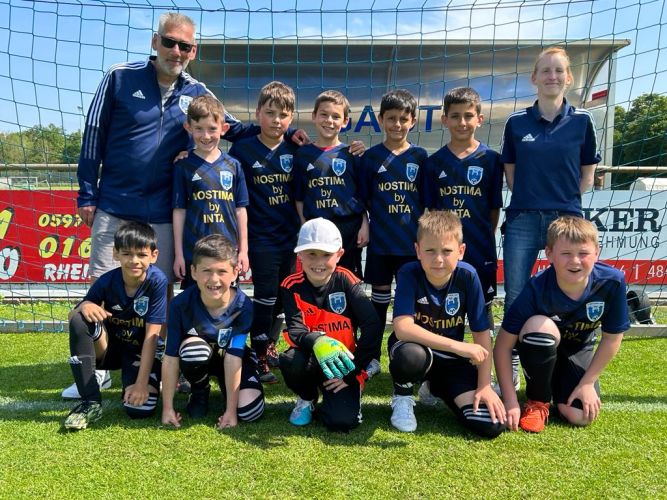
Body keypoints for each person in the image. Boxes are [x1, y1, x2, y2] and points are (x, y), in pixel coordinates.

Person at [68, 12, 285, 398]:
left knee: (162, 293)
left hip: (164, 212)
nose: (176, 51)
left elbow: (230, 126)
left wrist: (285, 132)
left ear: (193, 51)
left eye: (185, 46)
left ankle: (161, 364)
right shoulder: (119, 77)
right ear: (155, 42)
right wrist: (87, 192)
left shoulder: (197, 90)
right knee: (103, 289)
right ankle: (98, 369)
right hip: (115, 204)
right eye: (169, 42)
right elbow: (94, 133)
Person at [500, 47, 600, 390]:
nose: (552, 76)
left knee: (570, 288)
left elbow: (587, 175)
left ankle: (566, 360)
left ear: (568, 78)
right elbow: (511, 174)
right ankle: (512, 363)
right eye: (545, 70)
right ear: (534, 77)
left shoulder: (583, 121)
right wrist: (532, 200)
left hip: (566, 219)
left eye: (559, 70)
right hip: (523, 218)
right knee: (516, 294)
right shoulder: (516, 123)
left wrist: (564, 202)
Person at [494, 216, 629, 433]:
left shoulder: (612, 281)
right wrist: (510, 401)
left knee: (580, 416)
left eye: (583, 253)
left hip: (577, 349)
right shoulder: (536, 288)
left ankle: (560, 385)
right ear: (549, 254)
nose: (575, 261)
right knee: (539, 326)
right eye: (566, 253)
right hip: (540, 346)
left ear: (597, 252)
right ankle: (538, 401)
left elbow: (612, 338)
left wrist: (587, 383)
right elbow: (503, 345)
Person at [387, 211, 505, 438]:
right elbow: (402, 328)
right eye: (430, 251)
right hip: (415, 351)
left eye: (447, 251)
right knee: (411, 356)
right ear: (418, 251)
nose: (438, 259)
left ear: (461, 251)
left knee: (491, 424)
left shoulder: (468, 276)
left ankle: (434, 386)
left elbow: (481, 334)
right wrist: (457, 346)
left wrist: (484, 386)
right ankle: (402, 397)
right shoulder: (409, 273)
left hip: (450, 361)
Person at [422, 87, 504, 402]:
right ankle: (434, 375)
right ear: (444, 119)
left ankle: (487, 373)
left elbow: (493, 210)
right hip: (444, 257)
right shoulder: (434, 163)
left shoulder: (491, 160)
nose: (462, 122)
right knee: (440, 312)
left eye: (468, 116)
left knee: (482, 314)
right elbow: (431, 214)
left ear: (480, 119)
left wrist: (479, 238)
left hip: (479, 251)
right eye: (455, 116)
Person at [279, 218, 383, 432]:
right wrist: (318, 341)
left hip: (342, 364)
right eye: (311, 254)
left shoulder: (347, 281)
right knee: (290, 360)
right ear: (299, 255)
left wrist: (354, 371)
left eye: (326, 254)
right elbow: (296, 330)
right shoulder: (291, 286)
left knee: (341, 422)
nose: (319, 262)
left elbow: (372, 325)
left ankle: (351, 389)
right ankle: (308, 397)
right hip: (310, 359)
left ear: (339, 254)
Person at [228, 81, 300, 385]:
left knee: (285, 295)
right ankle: (258, 353)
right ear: (258, 113)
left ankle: (269, 345)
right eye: (270, 113)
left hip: (291, 238)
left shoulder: (296, 147)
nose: (276, 120)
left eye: (283, 115)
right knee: (266, 295)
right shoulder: (243, 149)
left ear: (291, 117)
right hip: (260, 237)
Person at [63, 222, 167, 430]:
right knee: (80, 319)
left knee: (139, 410)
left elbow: (152, 336)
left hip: (139, 351)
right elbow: (72, 316)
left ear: (154, 256)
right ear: (115, 253)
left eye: (141, 255)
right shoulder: (106, 281)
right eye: (127, 254)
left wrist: (141, 384)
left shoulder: (157, 282)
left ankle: (145, 379)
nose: (134, 260)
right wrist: (85, 305)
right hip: (109, 348)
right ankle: (90, 401)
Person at [161, 234, 264, 429]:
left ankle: (228, 391)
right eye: (206, 271)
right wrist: (167, 408)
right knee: (194, 351)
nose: (214, 279)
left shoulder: (243, 306)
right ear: (193, 272)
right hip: (199, 359)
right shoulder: (179, 304)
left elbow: (234, 358)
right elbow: (171, 357)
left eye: (222, 271)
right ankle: (200, 390)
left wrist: (231, 411)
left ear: (235, 272)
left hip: (232, 360)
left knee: (250, 411)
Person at [359, 89, 428, 370]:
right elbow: (363, 199)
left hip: (411, 245)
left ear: (413, 121)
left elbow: (426, 202)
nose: (397, 124)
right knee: (378, 303)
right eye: (391, 119)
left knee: (409, 305)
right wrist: (365, 224)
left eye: (403, 119)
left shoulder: (420, 157)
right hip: (381, 244)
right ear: (380, 120)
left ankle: (400, 353)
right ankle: (373, 357)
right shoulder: (370, 157)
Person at [173, 95, 249, 288]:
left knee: (226, 301)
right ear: (188, 128)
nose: (206, 136)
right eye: (198, 128)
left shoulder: (234, 165)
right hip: (194, 254)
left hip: (227, 254)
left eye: (212, 129)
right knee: (194, 302)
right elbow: (179, 211)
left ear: (224, 129)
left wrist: (243, 251)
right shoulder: (183, 166)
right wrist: (179, 254)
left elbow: (240, 210)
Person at [293, 90, 368, 278]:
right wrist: (304, 225)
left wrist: (365, 224)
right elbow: (299, 196)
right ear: (314, 116)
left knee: (347, 280)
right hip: (315, 228)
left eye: (336, 116)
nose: (329, 121)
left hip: (348, 228)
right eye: (324, 114)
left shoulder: (352, 153)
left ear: (345, 122)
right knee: (316, 278)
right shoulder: (302, 154)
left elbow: (361, 195)